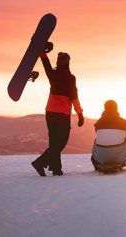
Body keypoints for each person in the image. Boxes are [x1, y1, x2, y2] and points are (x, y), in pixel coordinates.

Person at [31, 46, 84, 176]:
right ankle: (40, 163)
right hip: (62, 115)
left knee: (54, 142)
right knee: (61, 141)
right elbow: (74, 98)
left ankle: (56, 169)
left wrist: (42, 52)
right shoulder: (70, 78)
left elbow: (46, 64)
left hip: (50, 112)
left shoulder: (53, 74)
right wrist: (80, 114)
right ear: (68, 63)